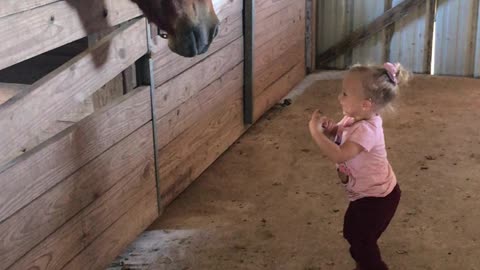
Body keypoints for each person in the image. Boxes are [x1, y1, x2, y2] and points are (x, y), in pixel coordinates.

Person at [308, 62, 411, 270]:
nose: (339, 97)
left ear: (365, 104)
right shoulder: (353, 118)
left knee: (363, 242)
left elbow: (339, 155)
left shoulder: (367, 130)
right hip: (363, 194)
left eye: (345, 94)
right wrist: (331, 130)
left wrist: (315, 133)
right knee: (353, 233)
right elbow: (341, 134)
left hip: (378, 198)